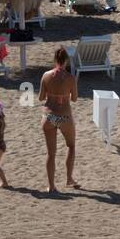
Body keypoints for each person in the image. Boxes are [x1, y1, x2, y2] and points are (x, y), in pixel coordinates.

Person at [39, 49, 79, 192]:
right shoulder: (70, 78)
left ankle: (51, 186)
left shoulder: (45, 75)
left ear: (54, 59)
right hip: (64, 116)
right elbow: (74, 99)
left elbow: (41, 97)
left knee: (51, 153)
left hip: (49, 116)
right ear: (66, 61)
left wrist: (53, 94)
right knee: (71, 146)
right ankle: (69, 178)